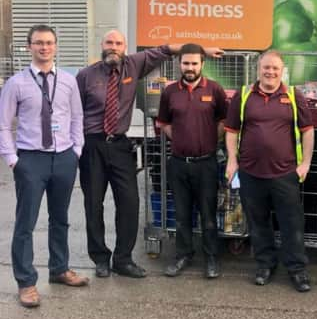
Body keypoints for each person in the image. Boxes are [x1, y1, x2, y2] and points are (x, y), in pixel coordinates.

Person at [76, 30, 223, 279]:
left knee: (130, 204)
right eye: (109, 42)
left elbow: (166, 49)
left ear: (125, 47)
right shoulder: (85, 76)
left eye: (118, 43)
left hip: (121, 145)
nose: (114, 47)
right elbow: (72, 112)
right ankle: (100, 258)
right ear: (102, 45)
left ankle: (123, 260)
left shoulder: (133, 64)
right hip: (92, 145)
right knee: (93, 205)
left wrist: (203, 49)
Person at [0, 25, 88, 308]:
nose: (44, 47)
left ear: (56, 46)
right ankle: (26, 282)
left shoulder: (68, 81)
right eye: (39, 43)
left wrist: (76, 150)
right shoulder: (16, 83)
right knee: (26, 222)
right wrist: (13, 159)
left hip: (63, 157)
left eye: (49, 43)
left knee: (60, 218)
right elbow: (4, 125)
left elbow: (76, 117)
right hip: (31, 159)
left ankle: (59, 268)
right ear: (29, 47)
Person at [224, 50, 314, 292]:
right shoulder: (243, 96)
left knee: (291, 224)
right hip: (251, 173)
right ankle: (265, 265)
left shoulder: (294, 96)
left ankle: (297, 269)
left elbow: (307, 130)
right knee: (258, 223)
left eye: (275, 68)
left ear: (282, 71)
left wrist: (305, 163)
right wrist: (232, 161)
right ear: (258, 69)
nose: (270, 72)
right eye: (266, 67)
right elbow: (231, 131)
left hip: (285, 174)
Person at [156, 44, 228, 279]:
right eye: (186, 63)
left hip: (206, 163)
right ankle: (182, 255)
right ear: (179, 64)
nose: (190, 68)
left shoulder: (215, 90)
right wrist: (180, 139)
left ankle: (211, 258)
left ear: (202, 64)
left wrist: (208, 141)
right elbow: (164, 123)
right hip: (178, 163)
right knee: (181, 215)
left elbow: (223, 123)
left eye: (194, 63)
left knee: (208, 215)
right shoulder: (169, 92)